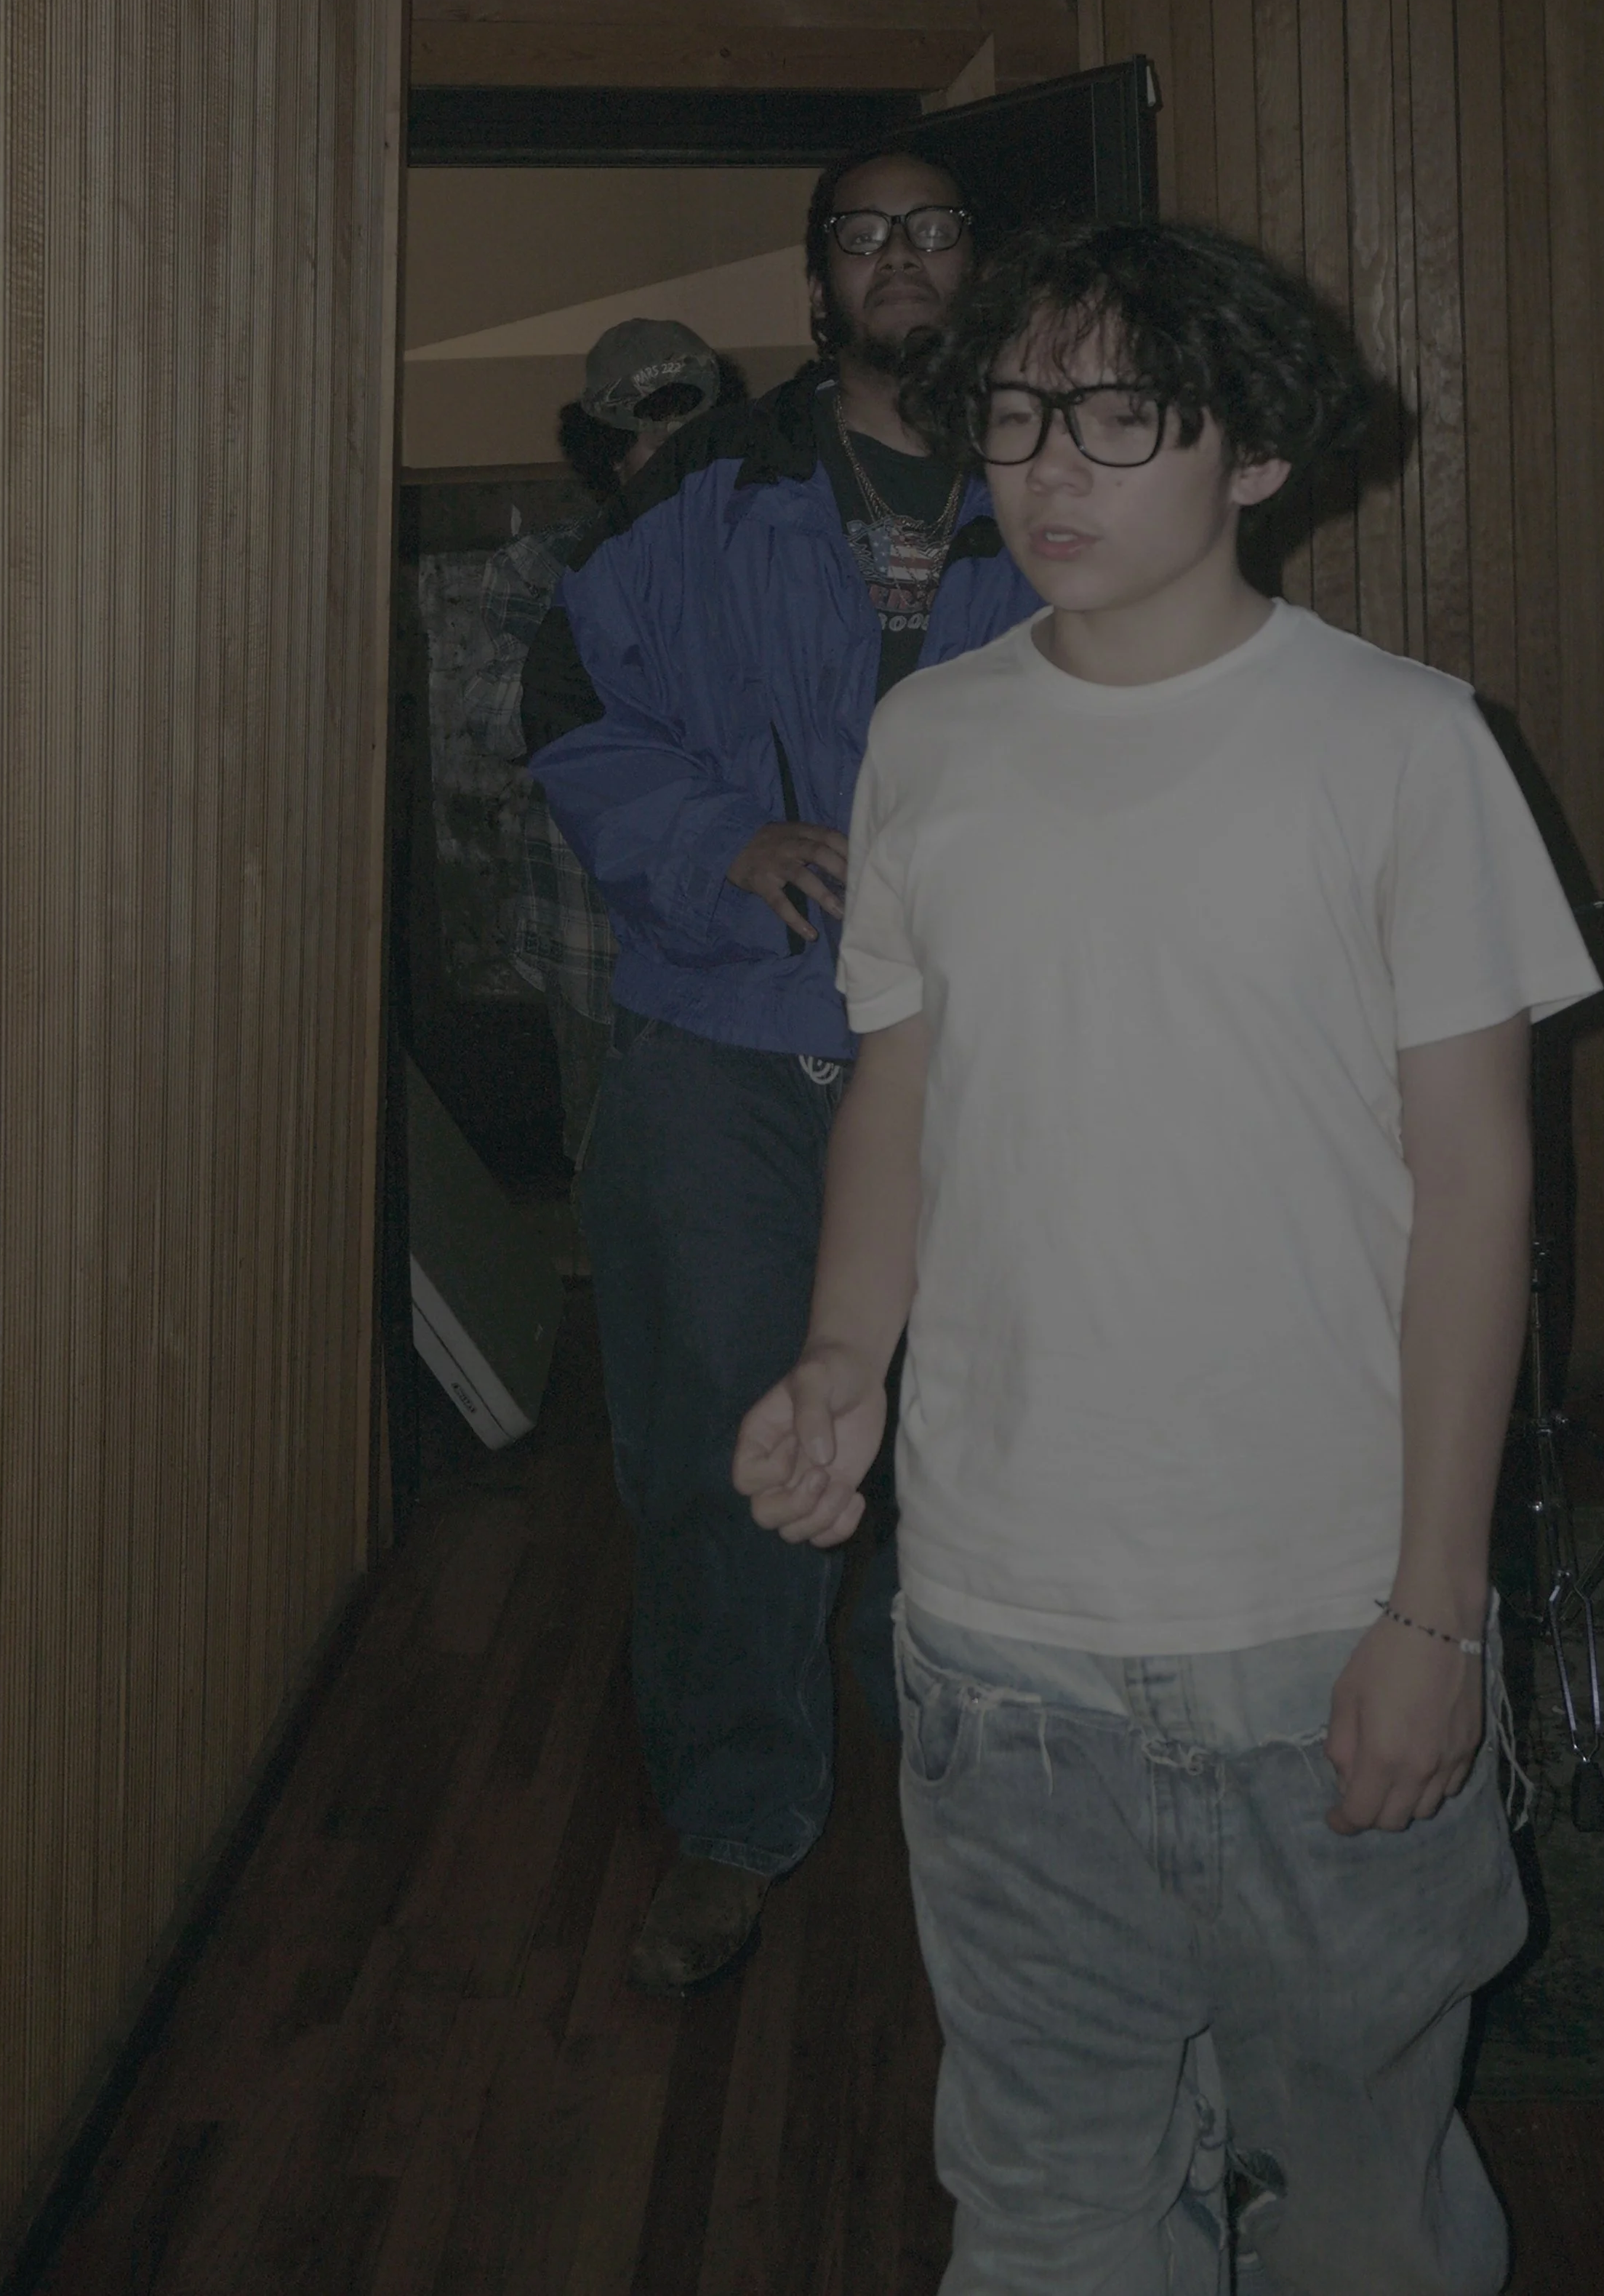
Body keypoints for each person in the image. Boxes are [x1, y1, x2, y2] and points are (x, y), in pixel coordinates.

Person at [736, 217, 1601, 2295]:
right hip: (995, 1639)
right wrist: (842, 1349)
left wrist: (1431, 1605)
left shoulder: (1399, 743)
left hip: (1314, 1626)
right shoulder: (930, 736)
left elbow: (1478, 1190)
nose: (1052, 467)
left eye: (1123, 415)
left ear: (1253, 456)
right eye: (1021, 413)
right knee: (1043, 2201)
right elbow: (901, 1089)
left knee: (1362, 2196)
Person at [524, 147, 1040, 1992]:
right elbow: (574, 712)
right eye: (861, 232)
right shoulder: (704, 491)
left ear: (980, 256)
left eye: (935, 220)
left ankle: (970, 1746)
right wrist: (724, 842)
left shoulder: (1067, 476)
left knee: (993, 1416)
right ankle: (739, 1811)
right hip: (725, 1033)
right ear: (816, 286)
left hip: (984, 1047)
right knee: (712, 1437)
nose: (900, 255)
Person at [462, 319, 735, 1168]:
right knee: (617, 1202)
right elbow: (492, 722)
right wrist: (616, 619)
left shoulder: (771, 558)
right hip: (595, 950)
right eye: (652, 435)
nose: (676, 453)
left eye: (697, 432)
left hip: (742, 946)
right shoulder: (537, 569)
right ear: (607, 449)